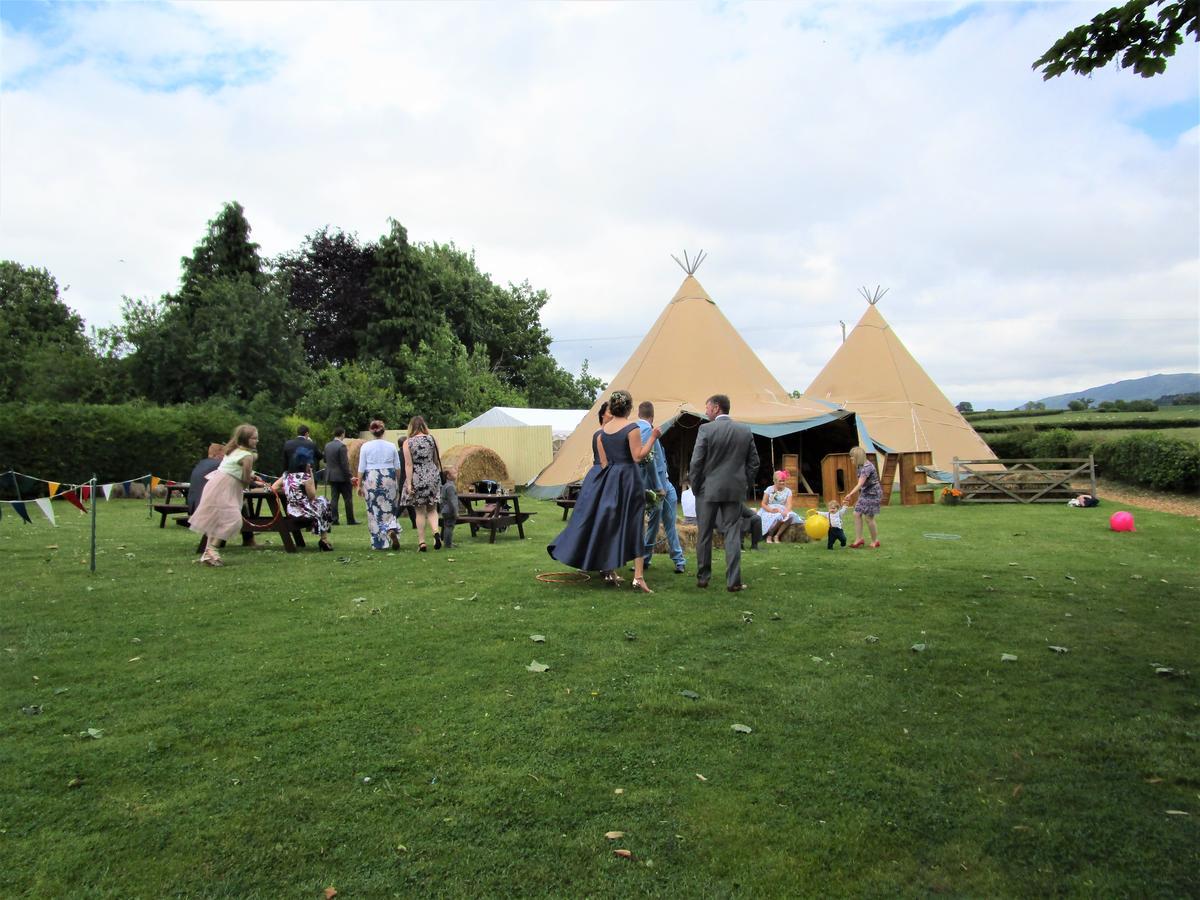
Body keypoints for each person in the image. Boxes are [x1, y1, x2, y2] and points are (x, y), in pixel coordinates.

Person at [547, 389, 661, 592]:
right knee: (634, 524)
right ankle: (638, 577)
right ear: (629, 407)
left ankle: (610, 570)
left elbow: (605, 462)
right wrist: (653, 437)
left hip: (612, 479)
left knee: (613, 524)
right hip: (629, 479)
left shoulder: (603, 432)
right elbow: (637, 456)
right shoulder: (632, 428)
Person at [689, 394, 760, 593]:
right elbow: (754, 462)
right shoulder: (744, 430)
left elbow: (696, 462)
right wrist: (744, 482)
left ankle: (703, 578)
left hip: (707, 490)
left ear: (717, 408)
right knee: (732, 534)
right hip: (734, 489)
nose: (705, 412)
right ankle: (733, 581)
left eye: (707, 407)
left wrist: (695, 487)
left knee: (704, 534)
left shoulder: (705, 429)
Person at [189, 423, 266, 566]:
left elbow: (235, 469)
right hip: (224, 487)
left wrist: (252, 476)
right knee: (234, 520)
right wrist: (253, 481)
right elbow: (244, 480)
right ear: (245, 439)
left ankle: (208, 554)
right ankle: (212, 549)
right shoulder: (247, 456)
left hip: (217, 484)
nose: (257, 441)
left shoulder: (233, 450)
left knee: (217, 520)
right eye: (254, 438)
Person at [637, 401, 686, 574]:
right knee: (660, 523)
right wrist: (659, 487)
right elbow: (650, 462)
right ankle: (647, 559)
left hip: (660, 485)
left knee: (665, 523)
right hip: (657, 487)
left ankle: (676, 559)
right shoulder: (648, 432)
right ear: (652, 417)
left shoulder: (634, 430)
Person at [271, 448, 333, 551]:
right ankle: (324, 539)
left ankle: (324, 538)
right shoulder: (306, 477)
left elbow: (273, 488)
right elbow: (312, 496)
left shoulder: (286, 476)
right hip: (305, 511)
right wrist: (311, 477)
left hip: (292, 510)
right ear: (306, 464)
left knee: (322, 503)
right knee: (324, 502)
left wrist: (289, 491)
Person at [357, 419, 403, 550]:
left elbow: (361, 467)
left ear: (371, 432)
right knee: (390, 508)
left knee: (373, 510)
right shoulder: (391, 446)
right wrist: (398, 483)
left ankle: (379, 542)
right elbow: (397, 467)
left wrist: (359, 484)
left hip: (372, 477)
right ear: (384, 431)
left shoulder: (365, 447)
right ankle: (391, 529)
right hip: (388, 477)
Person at [401, 416, 443, 551]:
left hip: (417, 476)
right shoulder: (432, 439)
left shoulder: (408, 442)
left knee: (419, 512)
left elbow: (408, 464)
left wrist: (409, 484)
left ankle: (422, 542)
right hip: (432, 474)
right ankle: (436, 531)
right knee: (432, 509)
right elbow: (436, 459)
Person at [843, 446, 883, 548]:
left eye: (852, 457)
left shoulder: (867, 468)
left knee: (869, 518)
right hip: (865, 492)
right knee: (856, 514)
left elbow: (860, 483)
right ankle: (859, 539)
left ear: (857, 457)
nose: (851, 459)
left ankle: (875, 541)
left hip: (873, 494)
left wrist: (850, 494)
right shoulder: (860, 466)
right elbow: (862, 485)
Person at [323, 427, 357, 526]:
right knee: (348, 498)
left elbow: (325, 460)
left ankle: (334, 519)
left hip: (331, 476)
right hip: (342, 477)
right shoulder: (342, 446)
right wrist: (350, 476)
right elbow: (344, 464)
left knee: (334, 498)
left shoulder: (327, 445)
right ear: (342, 434)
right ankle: (350, 519)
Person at [758, 470, 802, 543]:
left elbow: (789, 504)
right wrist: (771, 510)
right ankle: (769, 536)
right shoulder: (769, 489)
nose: (782, 483)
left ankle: (777, 536)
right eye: (780, 481)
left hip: (782, 509)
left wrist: (786, 512)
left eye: (783, 481)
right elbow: (763, 503)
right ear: (775, 481)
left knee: (790, 516)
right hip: (770, 509)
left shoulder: (788, 491)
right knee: (778, 516)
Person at [439, 468, 459, 549]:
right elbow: (453, 501)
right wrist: (456, 512)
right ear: (448, 476)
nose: (456, 474)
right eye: (454, 473)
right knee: (449, 527)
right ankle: (448, 544)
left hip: (445, 509)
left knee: (447, 526)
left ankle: (448, 542)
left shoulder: (445, 485)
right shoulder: (450, 487)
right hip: (449, 510)